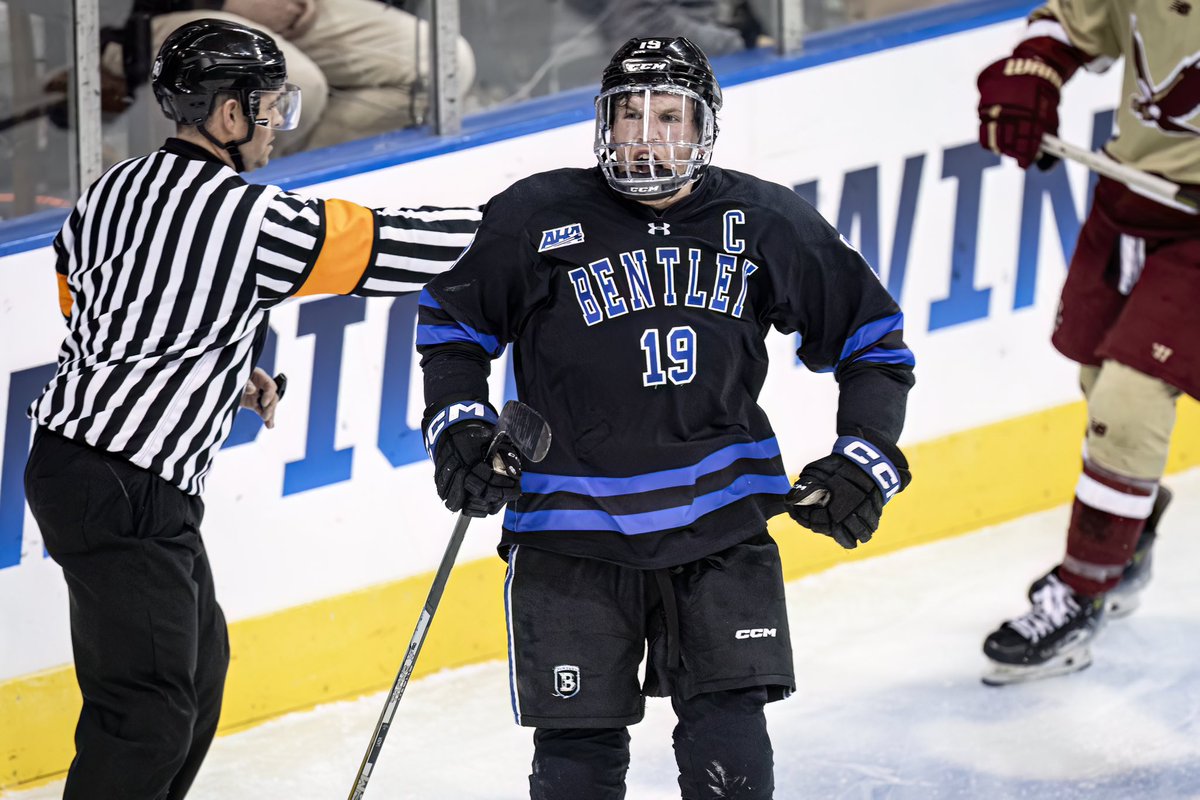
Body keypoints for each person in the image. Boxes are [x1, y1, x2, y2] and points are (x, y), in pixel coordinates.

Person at [416, 37, 914, 799]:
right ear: (603, 124)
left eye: (670, 116)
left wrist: (865, 455)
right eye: (629, 115)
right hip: (569, 533)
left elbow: (872, 340)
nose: (647, 136)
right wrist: (458, 426)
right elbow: (452, 328)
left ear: (704, 126)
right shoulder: (536, 214)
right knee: (576, 762)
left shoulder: (763, 219)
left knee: (732, 758)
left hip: (719, 528)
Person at [22, 19, 480, 799]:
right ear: (227, 115)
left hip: (88, 468)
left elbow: (83, 290)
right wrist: (532, 227)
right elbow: (386, 247)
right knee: (148, 714)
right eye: (272, 106)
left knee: (195, 675)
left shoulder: (114, 187)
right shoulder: (248, 217)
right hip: (127, 484)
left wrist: (215, 368)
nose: (277, 125)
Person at [975, 0, 1196, 685]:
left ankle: (1082, 589)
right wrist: (1030, 76)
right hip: (1130, 199)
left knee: (1129, 404)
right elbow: (1071, 24)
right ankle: (1127, 544)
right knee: (1099, 386)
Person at [107, 0, 476, 154]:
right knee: (292, 88)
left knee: (444, 64)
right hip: (180, 10)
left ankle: (297, 190)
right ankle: (218, 205)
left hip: (308, 9)